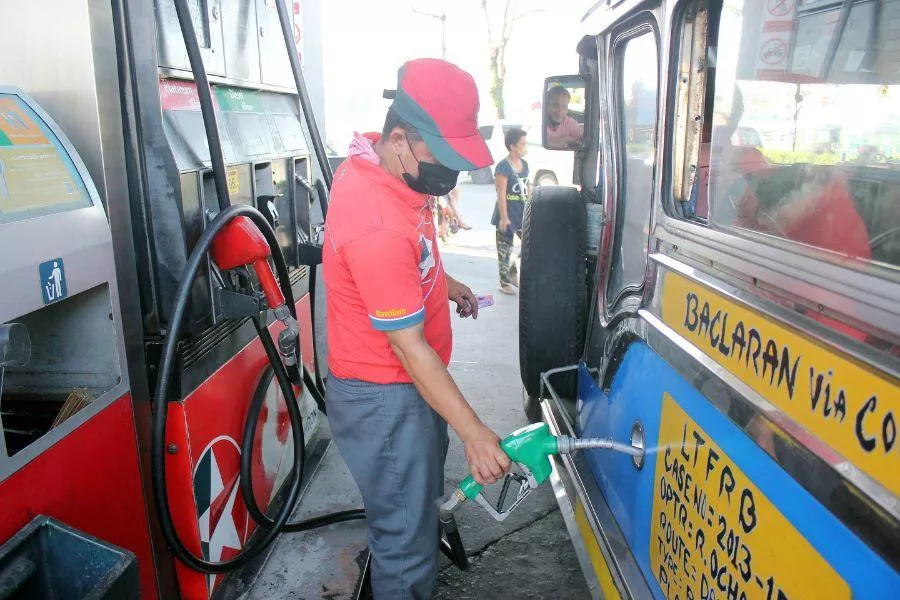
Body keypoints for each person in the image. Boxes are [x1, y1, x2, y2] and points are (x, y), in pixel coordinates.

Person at [322, 58, 511, 599]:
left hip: (408, 389)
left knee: (415, 514)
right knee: (405, 549)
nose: (449, 175)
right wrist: (475, 432)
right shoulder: (375, 219)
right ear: (400, 138)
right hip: (387, 397)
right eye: (442, 159)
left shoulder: (383, 165)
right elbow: (407, 349)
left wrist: (442, 281)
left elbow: (413, 248)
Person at [491, 128, 529, 294]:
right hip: (506, 214)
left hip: (522, 213)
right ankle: (505, 282)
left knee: (530, 245)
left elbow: (528, 188)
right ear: (512, 146)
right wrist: (504, 218)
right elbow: (500, 193)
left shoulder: (525, 165)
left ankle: (513, 270)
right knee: (505, 250)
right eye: (522, 144)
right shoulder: (503, 166)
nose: (524, 147)